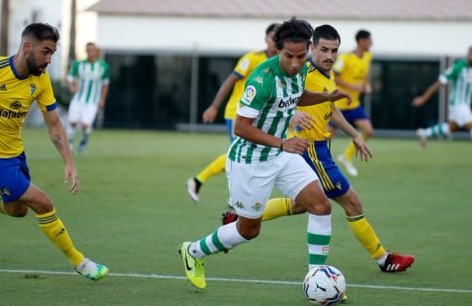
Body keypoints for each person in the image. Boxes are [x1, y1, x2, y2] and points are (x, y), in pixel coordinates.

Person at [222, 25, 415, 275]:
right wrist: (292, 116)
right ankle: (384, 258)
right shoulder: (302, 70)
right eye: (323, 49)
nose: (329, 56)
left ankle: (238, 220)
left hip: (320, 147)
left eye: (334, 50)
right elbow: (283, 100)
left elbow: (330, 106)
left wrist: (354, 134)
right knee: (352, 203)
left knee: (304, 205)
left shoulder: (325, 73)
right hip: (310, 149)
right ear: (311, 48)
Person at [178, 17, 350, 290]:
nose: (295, 63)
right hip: (250, 162)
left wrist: (326, 97)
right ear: (277, 49)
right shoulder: (261, 79)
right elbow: (241, 127)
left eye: (300, 56)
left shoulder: (301, 69)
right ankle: (194, 251)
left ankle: (318, 280)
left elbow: (297, 95)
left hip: (280, 155)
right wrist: (282, 144)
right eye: (288, 56)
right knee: (248, 231)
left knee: (321, 206)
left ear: (308, 50)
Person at [0, 23, 108, 281]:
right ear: (27, 47)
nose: (49, 59)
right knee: (43, 202)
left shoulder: (40, 81)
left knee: (18, 210)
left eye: (52, 53)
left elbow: (54, 124)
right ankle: (80, 262)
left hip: (15, 156)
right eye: (45, 52)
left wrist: (70, 163)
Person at [186, 23, 278, 201]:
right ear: (265, 39)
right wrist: (214, 106)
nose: (274, 41)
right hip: (237, 111)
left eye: (278, 38)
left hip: (259, 114)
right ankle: (199, 181)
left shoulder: (281, 63)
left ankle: (234, 194)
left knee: (249, 155)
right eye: (272, 37)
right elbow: (229, 81)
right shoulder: (251, 58)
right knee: (239, 153)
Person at [329, 30, 374, 177]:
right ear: (361, 41)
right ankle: (321, 164)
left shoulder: (368, 56)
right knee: (327, 138)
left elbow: (365, 73)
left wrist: (367, 84)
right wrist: (351, 86)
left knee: (368, 131)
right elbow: (333, 75)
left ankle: (346, 158)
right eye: (369, 40)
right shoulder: (345, 57)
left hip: (354, 104)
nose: (371, 43)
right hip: (339, 106)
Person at [66, 42, 110, 153]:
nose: (89, 52)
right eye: (87, 50)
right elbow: (70, 78)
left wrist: (103, 99)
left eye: (91, 50)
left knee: (85, 125)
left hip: (92, 101)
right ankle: (70, 143)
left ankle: (84, 138)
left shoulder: (103, 66)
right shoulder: (78, 64)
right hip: (78, 99)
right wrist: (72, 87)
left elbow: (105, 84)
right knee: (72, 122)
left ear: (96, 52)